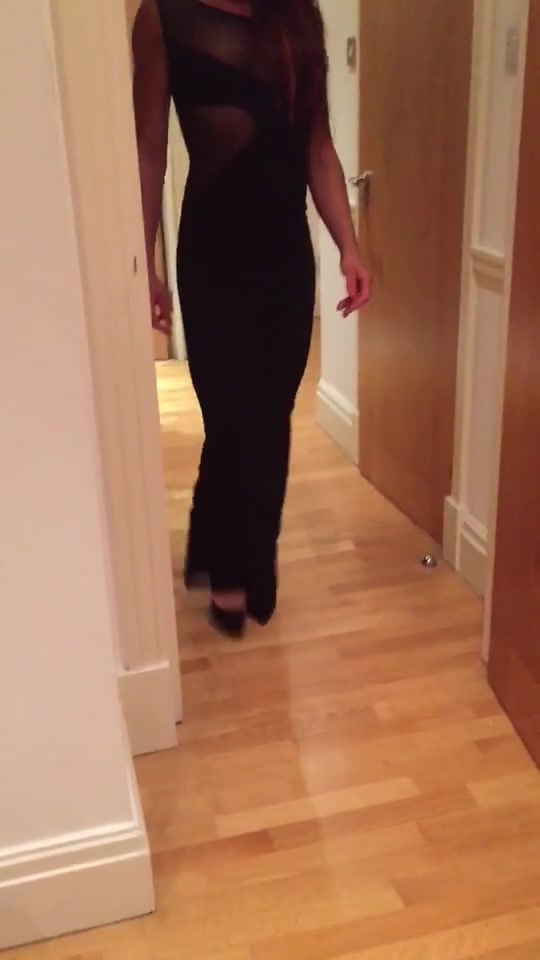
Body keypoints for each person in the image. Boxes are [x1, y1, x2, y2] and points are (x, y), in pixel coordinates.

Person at [133, 0, 371, 638]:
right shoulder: (164, 16)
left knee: (266, 420)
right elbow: (149, 150)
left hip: (284, 260)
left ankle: (230, 558)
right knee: (230, 420)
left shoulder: (297, 17)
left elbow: (318, 148)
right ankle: (234, 573)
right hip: (212, 256)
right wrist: (142, 261)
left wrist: (349, 245)